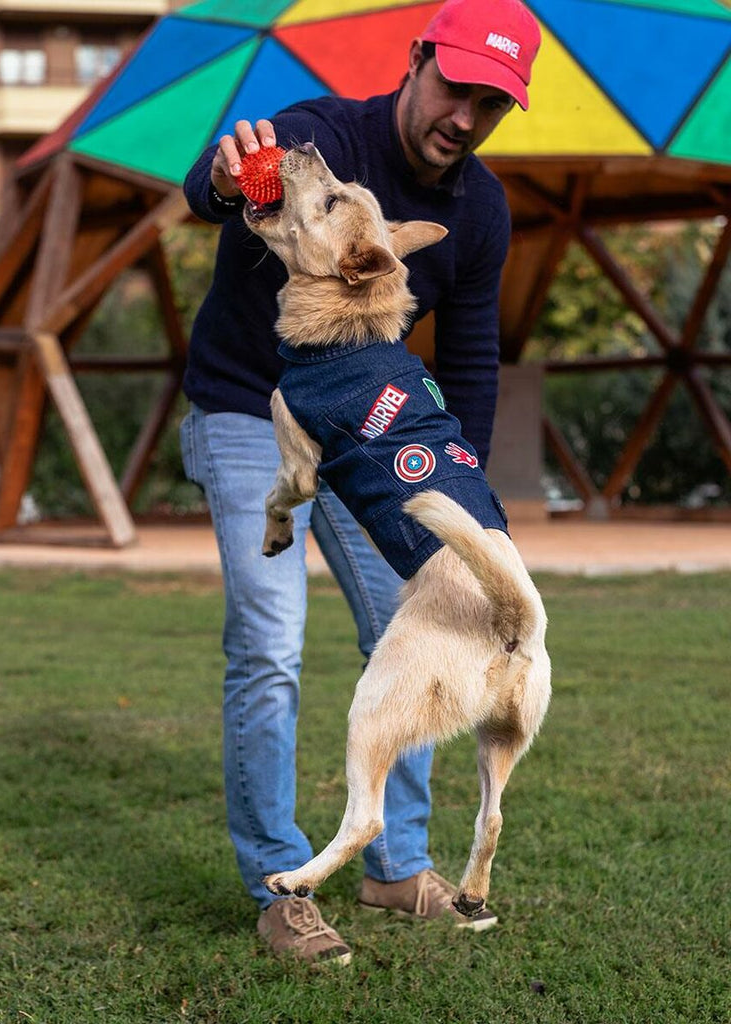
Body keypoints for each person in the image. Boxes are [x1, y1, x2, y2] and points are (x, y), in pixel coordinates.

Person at [179, 0, 541, 966]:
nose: (465, 115)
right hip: (248, 406)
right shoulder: (317, 138)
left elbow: (468, 365)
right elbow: (213, 190)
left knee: (420, 630)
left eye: (491, 103)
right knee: (269, 642)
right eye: (455, 84)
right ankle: (277, 882)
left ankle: (393, 864)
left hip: (371, 425)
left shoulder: (482, 211)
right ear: (418, 57)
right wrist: (222, 177)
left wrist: (468, 511)